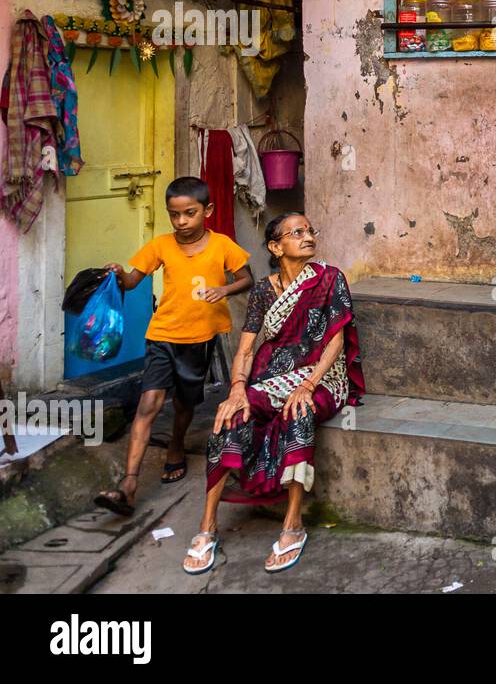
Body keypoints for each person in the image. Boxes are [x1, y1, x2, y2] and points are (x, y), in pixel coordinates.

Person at [182, 213, 363, 575]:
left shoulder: (330, 279)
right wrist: (236, 389)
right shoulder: (263, 291)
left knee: (299, 412)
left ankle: (293, 524)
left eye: (309, 230)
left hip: (322, 377)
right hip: (270, 377)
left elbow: (335, 341)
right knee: (232, 414)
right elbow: (246, 348)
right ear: (276, 247)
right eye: (296, 233)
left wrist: (308, 385)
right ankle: (207, 526)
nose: (307, 236)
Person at [94, 177, 252, 516]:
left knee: (184, 404)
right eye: (174, 215)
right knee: (148, 403)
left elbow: (246, 277)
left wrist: (224, 290)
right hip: (162, 335)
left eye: (189, 213)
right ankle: (129, 483)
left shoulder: (222, 245)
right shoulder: (161, 245)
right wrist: (118, 273)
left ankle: (176, 447)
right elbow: (133, 281)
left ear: (207, 211)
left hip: (199, 339)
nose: (181, 222)